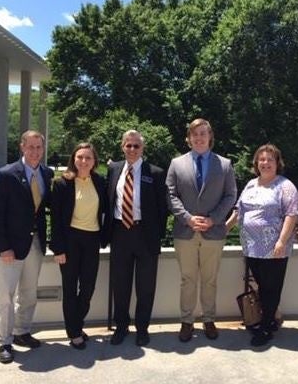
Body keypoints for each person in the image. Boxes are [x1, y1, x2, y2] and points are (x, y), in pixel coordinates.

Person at [166, 118, 237, 342]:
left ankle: (208, 319)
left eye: (203, 134)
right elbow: (170, 195)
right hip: (185, 231)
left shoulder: (224, 164)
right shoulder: (176, 164)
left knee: (210, 279)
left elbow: (230, 195)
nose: (199, 138)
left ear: (210, 137)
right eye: (195, 134)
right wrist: (187, 218)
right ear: (188, 138)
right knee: (188, 279)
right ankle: (187, 322)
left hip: (213, 232)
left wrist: (214, 219)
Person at [0, 130, 54, 364]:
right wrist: (3, 246)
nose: (35, 152)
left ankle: (22, 332)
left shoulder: (47, 173)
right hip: (10, 249)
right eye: (31, 147)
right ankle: (4, 341)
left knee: (29, 293)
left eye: (39, 147)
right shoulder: (5, 175)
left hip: (35, 244)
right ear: (22, 147)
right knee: (5, 297)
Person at [226, 144, 298, 346]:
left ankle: (266, 327)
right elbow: (238, 211)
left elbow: (292, 214)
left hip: (274, 247)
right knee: (261, 286)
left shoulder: (285, 186)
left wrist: (282, 241)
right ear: (256, 163)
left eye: (270, 160)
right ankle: (270, 320)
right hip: (251, 247)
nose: (265, 163)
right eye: (262, 159)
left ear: (277, 163)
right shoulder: (251, 184)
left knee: (271, 288)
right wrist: (225, 228)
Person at [106, 130, 168, 346]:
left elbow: (163, 208)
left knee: (146, 286)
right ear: (122, 146)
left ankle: (142, 328)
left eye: (136, 146)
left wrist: (156, 234)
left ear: (143, 148)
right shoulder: (113, 169)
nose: (132, 149)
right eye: (128, 145)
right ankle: (121, 327)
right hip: (120, 233)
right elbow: (109, 200)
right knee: (120, 284)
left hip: (145, 235)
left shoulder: (156, 173)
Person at [50, 143, 109, 350]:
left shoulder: (100, 182)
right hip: (70, 240)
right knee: (69, 288)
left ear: (94, 161)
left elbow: (107, 211)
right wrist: (58, 249)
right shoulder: (62, 184)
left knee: (87, 288)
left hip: (92, 239)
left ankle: (76, 324)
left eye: (88, 158)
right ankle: (74, 332)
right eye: (80, 157)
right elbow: (55, 219)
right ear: (73, 159)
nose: (84, 161)